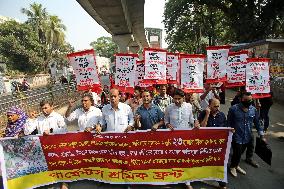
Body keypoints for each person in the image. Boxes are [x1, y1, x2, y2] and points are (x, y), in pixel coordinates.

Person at [164, 89, 200, 189]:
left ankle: (187, 181)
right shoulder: (169, 108)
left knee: (185, 159)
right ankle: (172, 179)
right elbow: (166, 119)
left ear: (183, 98)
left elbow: (191, 119)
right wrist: (167, 124)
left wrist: (195, 122)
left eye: (179, 99)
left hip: (186, 138)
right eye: (175, 99)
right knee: (173, 159)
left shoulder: (189, 106)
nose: (177, 101)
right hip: (173, 138)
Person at [227, 92, 265, 177]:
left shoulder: (253, 109)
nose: (248, 102)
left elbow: (258, 122)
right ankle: (232, 166)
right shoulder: (233, 109)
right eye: (245, 100)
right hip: (237, 136)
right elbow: (228, 123)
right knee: (237, 152)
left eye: (250, 100)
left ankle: (236, 165)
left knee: (241, 153)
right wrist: (229, 132)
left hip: (248, 135)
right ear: (241, 99)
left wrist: (261, 135)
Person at [198, 98, 228, 189]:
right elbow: (202, 128)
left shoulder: (222, 115)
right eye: (215, 106)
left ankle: (221, 183)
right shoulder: (203, 113)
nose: (217, 108)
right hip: (205, 144)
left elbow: (225, 129)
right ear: (209, 106)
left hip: (217, 146)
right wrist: (207, 115)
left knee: (218, 163)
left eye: (218, 106)